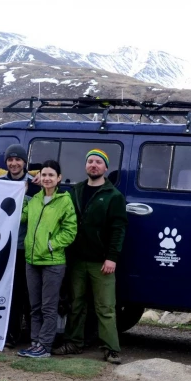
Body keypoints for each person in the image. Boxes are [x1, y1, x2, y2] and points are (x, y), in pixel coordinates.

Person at [53, 149, 127, 364]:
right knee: (76, 304)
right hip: (77, 260)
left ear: (105, 167)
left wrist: (112, 257)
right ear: (86, 166)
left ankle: (111, 348)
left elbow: (118, 229)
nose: (94, 165)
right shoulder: (75, 190)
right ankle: (73, 343)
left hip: (101, 262)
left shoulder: (113, 195)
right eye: (90, 161)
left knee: (105, 307)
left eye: (98, 162)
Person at [17, 160, 77, 358]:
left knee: (48, 307)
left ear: (59, 178)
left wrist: (51, 245)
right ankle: (35, 342)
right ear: (39, 177)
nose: (47, 178)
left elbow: (70, 230)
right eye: (44, 175)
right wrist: (22, 190)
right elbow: (21, 216)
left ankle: (45, 346)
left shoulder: (64, 201)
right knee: (34, 306)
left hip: (52, 262)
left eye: (51, 175)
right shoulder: (34, 200)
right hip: (31, 261)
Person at [0, 144, 40, 348]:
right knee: (9, 293)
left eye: (18, 160)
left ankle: (33, 337)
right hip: (4, 248)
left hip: (26, 248)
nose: (14, 163)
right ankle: (11, 335)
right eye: (10, 160)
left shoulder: (36, 184)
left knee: (29, 294)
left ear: (25, 162)